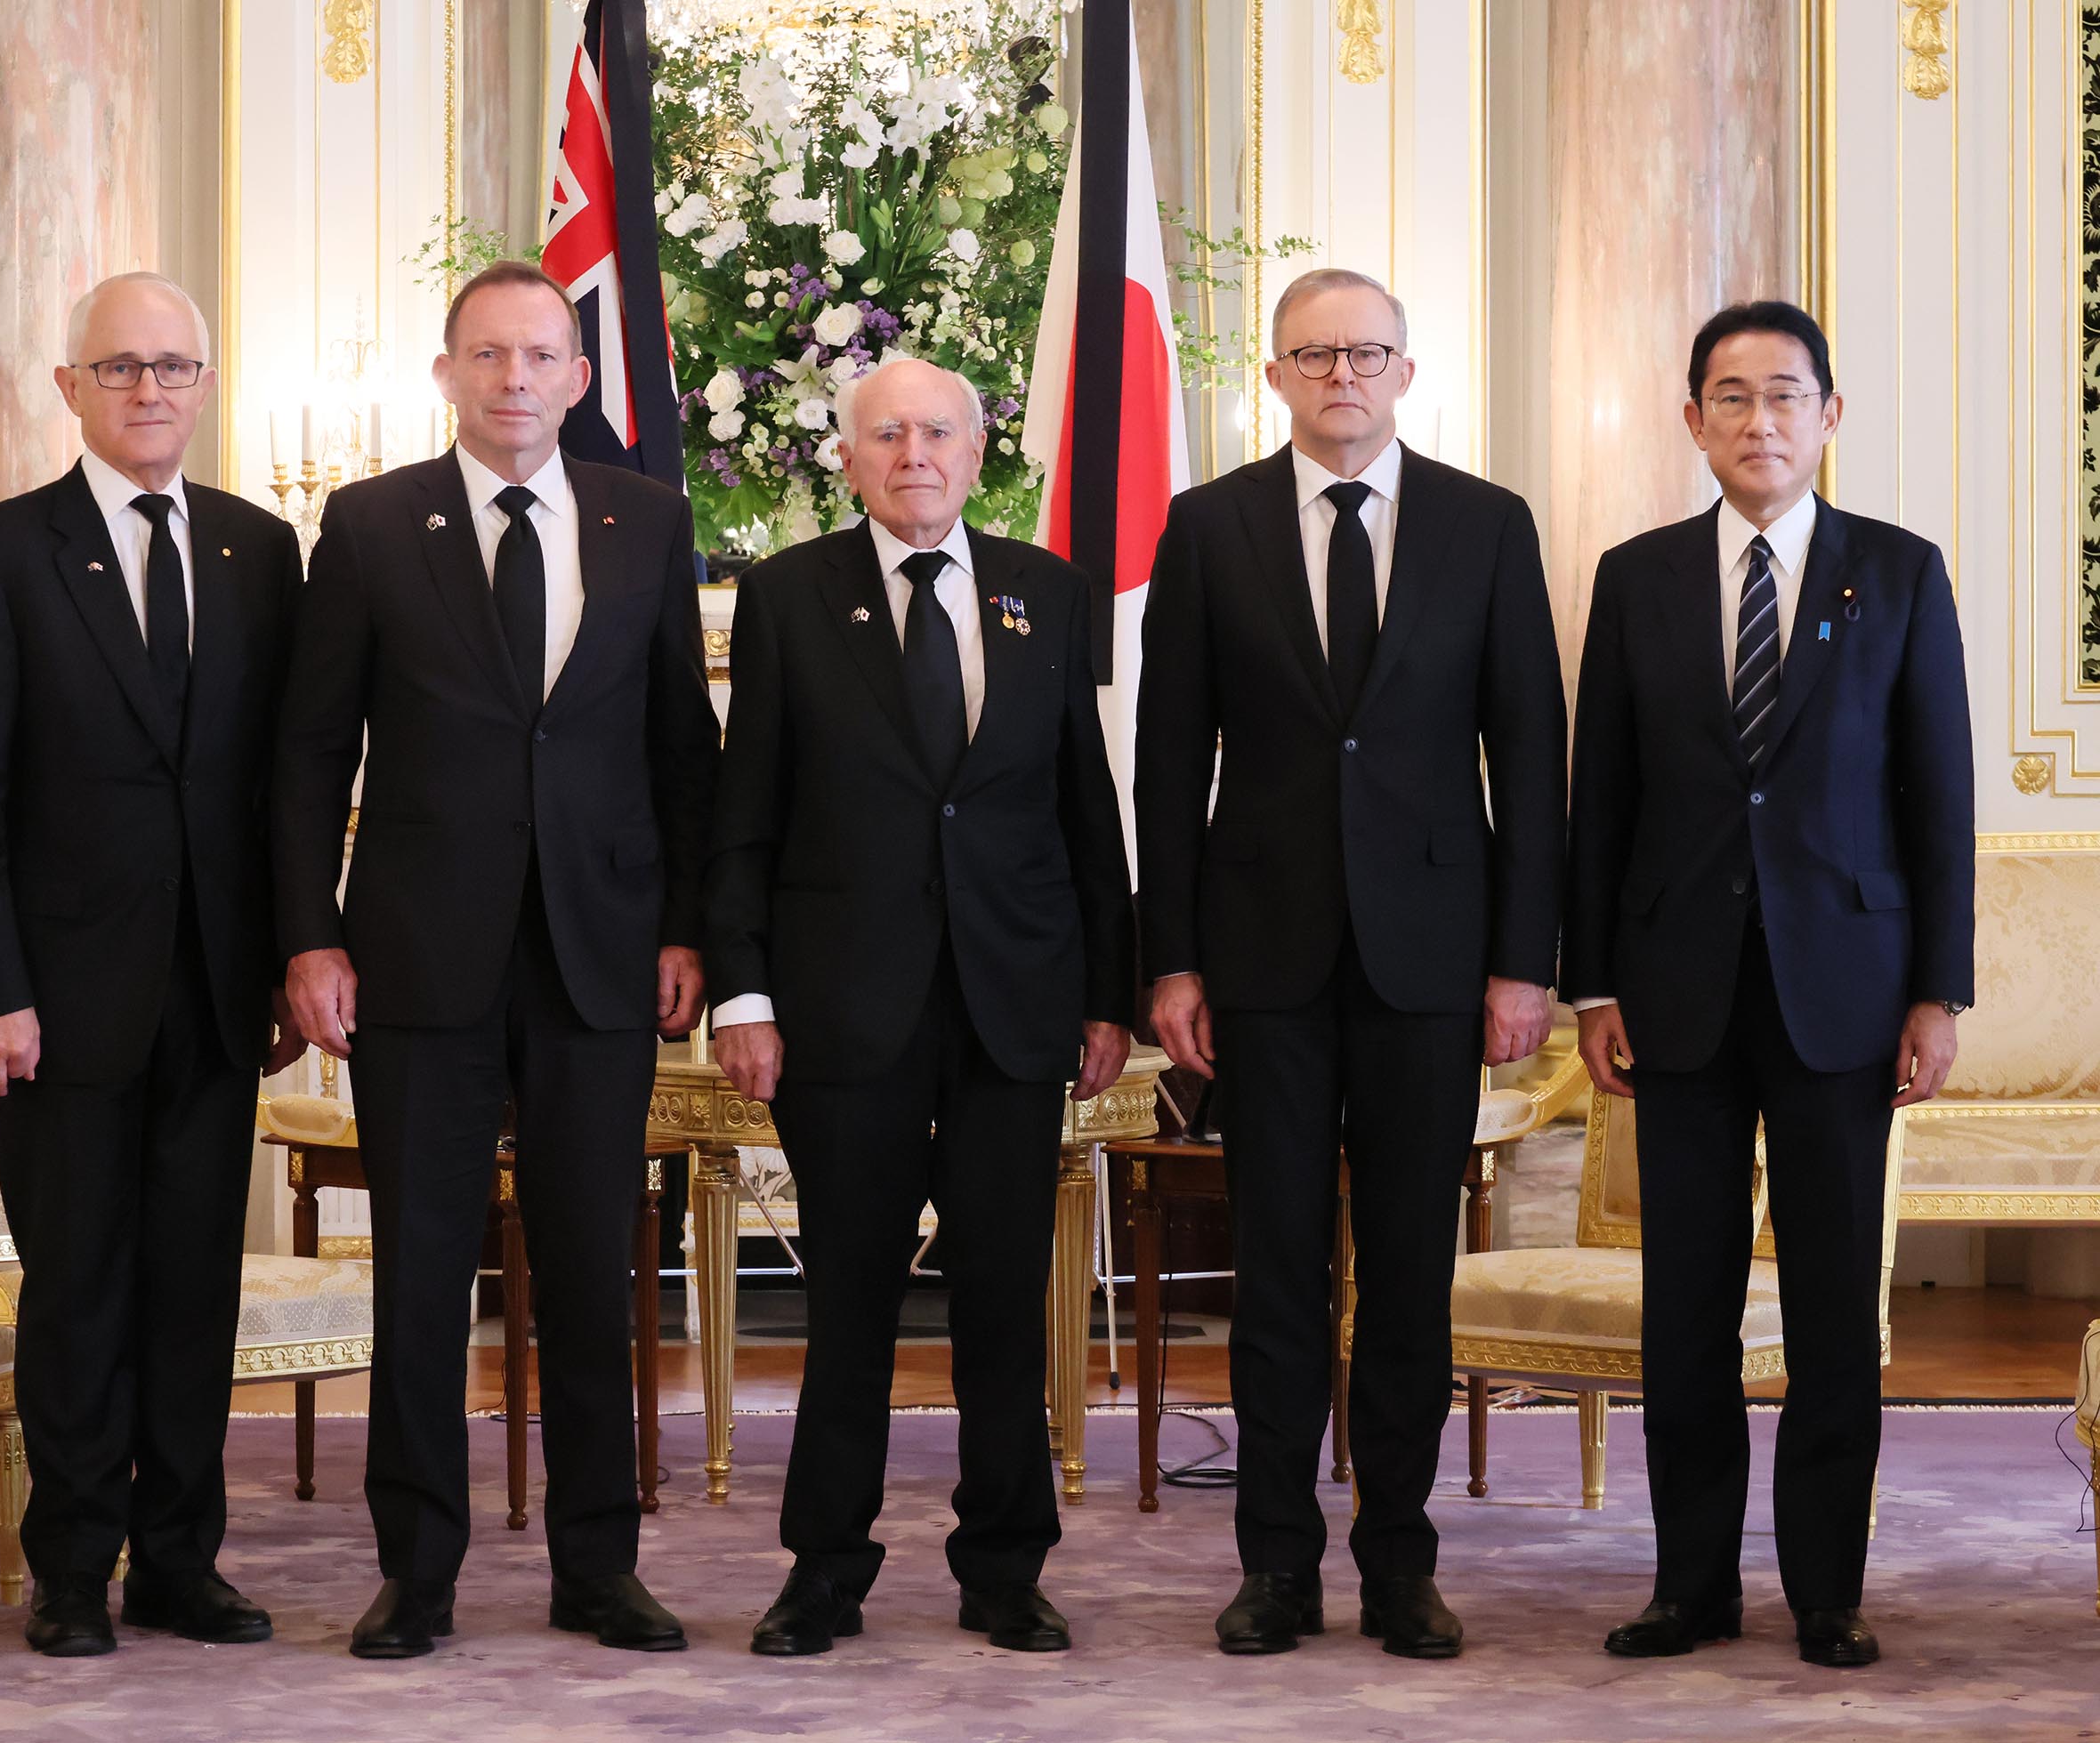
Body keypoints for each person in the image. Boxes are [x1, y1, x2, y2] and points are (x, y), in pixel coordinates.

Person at [273, 260, 720, 1659]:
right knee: (421, 1275)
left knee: (593, 1272)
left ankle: (600, 1567)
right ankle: (418, 1573)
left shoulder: (647, 520)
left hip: (599, 954)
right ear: (447, 373)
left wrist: (688, 926)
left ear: (577, 379)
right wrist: (309, 934)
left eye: (539, 355)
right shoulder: (369, 524)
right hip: (418, 956)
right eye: (487, 354)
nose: (514, 377)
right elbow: (309, 751)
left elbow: (681, 749)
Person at [1135, 267, 1568, 1658]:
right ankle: (1275, 1565)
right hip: (1259, 961)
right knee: (1272, 1276)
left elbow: (1532, 757)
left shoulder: (1488, 525)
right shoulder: (1208, 527)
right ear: (1273, 377)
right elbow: (1166, 761)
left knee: (1407, 1280)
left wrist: (1523, 961)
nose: (1341, 376)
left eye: (1366, 353)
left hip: (1431, 964)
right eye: (1315, 355)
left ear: (1405, 373)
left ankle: (1399, 1565)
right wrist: (1171, 962)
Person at [703, 357, 1134, 1657]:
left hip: (1014, 1007)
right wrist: (743, 992)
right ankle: (823, 1571)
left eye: (938, 431)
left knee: (1004, 1299)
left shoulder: (1047, 592)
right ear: (847, 459)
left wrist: (1107, 994)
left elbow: (1085, 805)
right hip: (845, 1007)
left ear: (976, 449)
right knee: (849, 1303)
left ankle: (1005, 1566)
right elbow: (745, 812)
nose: (914, 455)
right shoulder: (787, 597)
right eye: (886, 434)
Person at [1565, 300, 1974, 1669]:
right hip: (1676, 996)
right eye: (1731, 397)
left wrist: (1939, 993)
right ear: (1694, 422)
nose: (1760, 421)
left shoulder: (1899, 574)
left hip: (1844, 995)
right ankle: (1690, 1587)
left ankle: (1825, 1594)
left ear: (1829, 415)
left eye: (1785, 395)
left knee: (1831, 1313)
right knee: (1684, 1309)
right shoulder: (1636, 578)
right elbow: (1600, 799)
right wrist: (1592, 986)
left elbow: (1938, 798)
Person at [0, 271, 305, 1657]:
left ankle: (180, 1564)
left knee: (195, 1291)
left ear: (205, 384)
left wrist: (286, 961)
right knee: (79, 1291)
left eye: (173, 366)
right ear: (69, 387)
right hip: (58, 1004)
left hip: (216, 995)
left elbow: (284, 786)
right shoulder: (0, 555)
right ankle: (74, 1570)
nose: (149, 389)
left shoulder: (261, 552)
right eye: (121, 366)